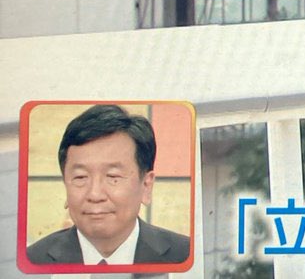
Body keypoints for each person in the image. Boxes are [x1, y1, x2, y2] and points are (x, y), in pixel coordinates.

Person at [25, 104, 191, 266]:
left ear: (146, 186)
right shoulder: (33, 260)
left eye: (113, 177)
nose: (95, 194)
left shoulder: (185, 254)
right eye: (80, 177)